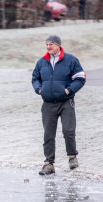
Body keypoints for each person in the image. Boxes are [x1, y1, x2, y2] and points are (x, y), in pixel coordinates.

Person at [32, 35, 86, 175]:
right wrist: (39, 89)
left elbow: (80, 78)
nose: (48, 47)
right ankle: (49, 164)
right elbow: (35, 78)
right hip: (48, 104)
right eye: (47, 44)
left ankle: (72, 157)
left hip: (66, 102)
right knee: (48, 134)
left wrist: (69, 89)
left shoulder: (71, 60)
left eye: (51, 44)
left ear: (58, 45)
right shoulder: (42, 62)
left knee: (68, 131)